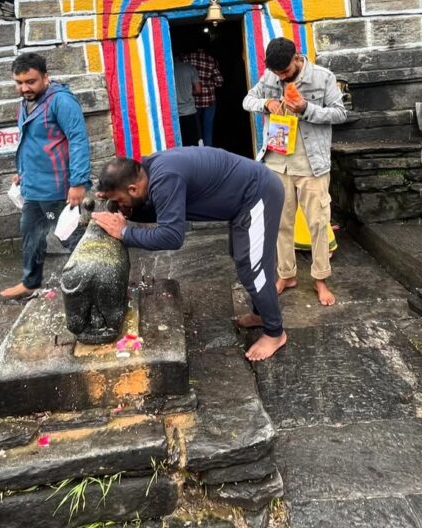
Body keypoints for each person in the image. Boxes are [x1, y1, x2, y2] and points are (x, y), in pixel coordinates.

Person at [92, 148, 287, 361]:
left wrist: (124, 232)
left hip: (257, 194)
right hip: (240, 203)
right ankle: (261, 315)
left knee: (253, 268)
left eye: (120, 200)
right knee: (243, 259)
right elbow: (164, 209)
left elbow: (171, 236)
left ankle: (275, 333)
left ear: (132, 188)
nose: (120, 206)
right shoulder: (151, 173)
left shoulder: (166, 179)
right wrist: (132, 211)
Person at [243, 37, 346, 306]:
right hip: (277, 163)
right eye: (277, 73)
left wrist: (306, 109)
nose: (281, 76)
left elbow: (340, 113)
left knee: (318, 223)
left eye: (285, 71)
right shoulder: (269, 77)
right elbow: (247, 100)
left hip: (312, 164)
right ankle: (286, 275)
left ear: (296, 58)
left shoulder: (323, 78)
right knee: (280, 224)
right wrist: (266, 104)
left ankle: (320, 279)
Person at [0, 52, 92, 300]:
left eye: (30, 81)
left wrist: (78, 182)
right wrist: (22, 173)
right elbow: (32, 142)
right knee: (31, 235)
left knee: (69, 235)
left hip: (56, 187)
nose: (24, 88)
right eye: (19, 83)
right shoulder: (26, 102)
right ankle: (30, 283)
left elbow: (78, 141)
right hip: (33, 186)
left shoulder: (61, 102)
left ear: (45, 77)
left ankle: (94, 278)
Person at [184, 45, 223, 147]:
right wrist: (208, 85)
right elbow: (219, 81)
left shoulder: (187, 58)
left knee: (196, 129)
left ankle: (198, 153)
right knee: (208, 127)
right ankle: (208, 152)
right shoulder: (211, 60)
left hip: (193, 100)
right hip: (209, 100)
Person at [173, 53, 201, 146]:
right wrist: (188, 92)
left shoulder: (168, 70)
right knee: (193, 143)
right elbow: (198, 90)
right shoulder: (190, 68)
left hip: (175, 113)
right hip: (190, 112)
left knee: (180, 144)